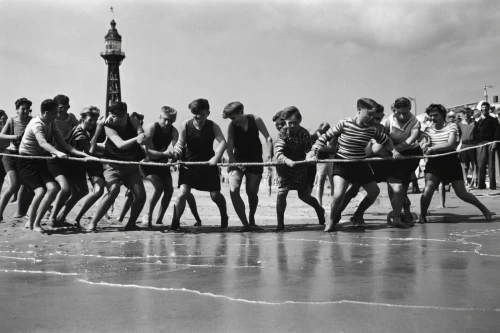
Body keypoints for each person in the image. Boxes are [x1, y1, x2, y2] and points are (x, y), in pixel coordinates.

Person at [307, 98, 401, 232]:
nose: (372, 118)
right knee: (338, 195)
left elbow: (387, 140)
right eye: (369, 114)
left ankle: (358, 213)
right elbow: (325, 137)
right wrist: (314, 150)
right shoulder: (344, 123)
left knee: (374, 192)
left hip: (360, 165)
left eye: (374, 116)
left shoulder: (371, 130)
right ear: (359, 111)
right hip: (342, 164)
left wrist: (395, 151)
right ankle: (332, 220)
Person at [18, 99, 90, 233]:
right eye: (54, 113)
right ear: (46, 112)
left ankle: (36, 222)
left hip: (41, 160)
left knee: (53, 189)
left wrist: (84, 155)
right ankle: (32, 223)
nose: (57, 115)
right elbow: (42, 142)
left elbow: (64, 144)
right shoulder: (36, 124)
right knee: (40, 192)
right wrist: (56, 153)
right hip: (27, 161)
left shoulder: (51, 123)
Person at [419, 104, 492, 223]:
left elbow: (451, 144)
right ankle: (422, 216)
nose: (432, 118)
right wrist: (425, 146)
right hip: (434, 162)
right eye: (431, 115)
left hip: (450, 160)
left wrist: (433, 148)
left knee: (461, 193)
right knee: (428, 190)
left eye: (435, 115)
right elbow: (425, 143)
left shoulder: (452, 126)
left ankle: (485, 210)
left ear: (442, 115)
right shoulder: (428, 129)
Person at [87, 101, 148, 232]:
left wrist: (141, 136)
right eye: (113, 115)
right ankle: (93, 222)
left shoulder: (134, 121)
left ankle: (131, 223)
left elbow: (141, 133)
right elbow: (120, 144)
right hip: (112, 164)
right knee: (113, 189)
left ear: (125, 114)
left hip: (131, 166)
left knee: (141, 195)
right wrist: (137, 138)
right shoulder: (108, 125)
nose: (115, 119)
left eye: (118, 116)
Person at [170, 98, 228, 230]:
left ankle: (224, 216)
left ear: (208, 113)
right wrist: (176, 154)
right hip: (189, 164)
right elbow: (180, 143)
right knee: (183, 193)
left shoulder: (213, 126)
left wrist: (216, 157)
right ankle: (175, 221)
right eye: (196, 115)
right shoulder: (185, 124)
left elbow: (223, 142)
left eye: (202, 115)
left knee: (215, 195)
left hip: (208, 164)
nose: (199, 118)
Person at [223, 101, 272, 231]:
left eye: (233, 117)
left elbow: (268, 138)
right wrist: (233, 161)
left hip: (255, 160)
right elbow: (229, 146)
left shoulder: (255, 119)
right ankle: (245, 223)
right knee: (233, 190)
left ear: (241, 112)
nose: (232, 121)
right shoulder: (231, 126)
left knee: (251, 192)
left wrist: (269, 156)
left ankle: (251, 219)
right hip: (238, 159)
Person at [274, 106, 325, 231]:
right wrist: (287, 161)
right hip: (284, 167)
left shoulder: (304, 133)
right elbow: (278, 153)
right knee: (282, 192)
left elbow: (309, 151)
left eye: (295, 123)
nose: (292, 125)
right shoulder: (282, 133)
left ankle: (319, 209)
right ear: (285, 122)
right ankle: (280, 223)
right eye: (289, 123)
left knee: (303, 196)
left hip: (300, 167)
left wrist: (311, 157)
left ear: (300, 120)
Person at [54, 106, 104, 229]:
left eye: (95, 120)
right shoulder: (79, 133)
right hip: (72, 166)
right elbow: (90, 151)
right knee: (77, 192)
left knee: (79, 192)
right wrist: (98, 130)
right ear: (82, 119)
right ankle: (55, 218)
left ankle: (59, 217)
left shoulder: (83, 131)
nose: (93, 123)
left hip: (77, 166)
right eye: (90, 120)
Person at [379, 97, 422, 228]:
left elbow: (411, 140)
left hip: (409, 154)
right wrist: (392, 151)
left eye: (405, 112)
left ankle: (402, 213)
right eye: (399, 112)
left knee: (402, 186)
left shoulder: (414, 121)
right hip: (391, 153)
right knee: (393, 185)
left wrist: (396, 150)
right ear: (394, 110)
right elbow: (383, 137)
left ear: (409, 109)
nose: (401, 115)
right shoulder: (389, 120)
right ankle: (398, 214)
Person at [139, 106, 178, 227]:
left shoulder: (174, 131)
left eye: (171, 120)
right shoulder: (151, 127)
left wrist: (175, 155)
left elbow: (177, 147)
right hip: (148, 162)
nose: (167, 123)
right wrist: (164, 153)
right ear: (160, 117)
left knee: (169, 190)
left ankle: (160, 218)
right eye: (165, 119)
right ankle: (148, 215)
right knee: (159, 187)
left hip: (162, 163)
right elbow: (147, 152)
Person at [46, 94, 80, 227]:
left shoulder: (71, 117)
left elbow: (79, 130)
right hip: (53, 155)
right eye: (60, 108)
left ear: (68, 107)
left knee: (69, 189)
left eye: (64, 108)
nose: (62, 111)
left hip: (67, 154)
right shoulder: (51, 119)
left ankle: (56, 215)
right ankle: (50, 215)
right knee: (56, 188)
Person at [0, 99, 33, 222]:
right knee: (14, 184)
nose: (25, 111)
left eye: (27, 109)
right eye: (22, 109)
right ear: (17, 109)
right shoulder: (11, 120)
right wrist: (15, 137)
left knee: (28, 185)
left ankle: (22, 212)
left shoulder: (32, 121)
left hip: (25, 156)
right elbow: (1, 135)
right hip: (10, 155)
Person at [473, 102, 499, 190]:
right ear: (481, 109)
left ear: (488, 109)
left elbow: (497, 132)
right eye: (483, 107)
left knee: (491, 165)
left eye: (486, 107)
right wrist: (476, 143)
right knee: (481, 165)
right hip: (480, 144)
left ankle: (492, 186)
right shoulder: (478, 121)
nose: (484, 109)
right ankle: (481, 185)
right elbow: (475, 133)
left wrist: (495, 143)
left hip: (490, 143)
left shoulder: (493, 119)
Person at [312, 122, 335, 206]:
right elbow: (313, 148)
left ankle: (334, 203)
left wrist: (322, 148)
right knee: (320, 184)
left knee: (333, 183)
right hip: (321, 162)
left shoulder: (332, 136)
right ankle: (319, 205)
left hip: (330, 161)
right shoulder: (315, 136)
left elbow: (333, 148)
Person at [458, 108, 477, 187]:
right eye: (465, 113)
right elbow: (459, 136)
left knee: (473, 165)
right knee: (464, 165)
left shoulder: (474, 123)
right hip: (463, 145)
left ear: (470, 114)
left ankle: (474, 181)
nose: (466, 115)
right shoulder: (460, 124)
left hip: (472, 145)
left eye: (468, 113)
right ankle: (465, 181)